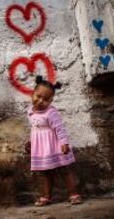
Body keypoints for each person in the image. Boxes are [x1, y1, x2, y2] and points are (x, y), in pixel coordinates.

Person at [27, 75, 82, 206]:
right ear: (32, 94)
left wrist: (64, 143)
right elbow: (35, 128)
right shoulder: (30, 112)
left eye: (46, 99)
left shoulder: (51, 113)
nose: (41, 101)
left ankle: (74, 194)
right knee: (46, 172)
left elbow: (60, 129)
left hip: (55, 145)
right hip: (42, 148)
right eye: (38, 96)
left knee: (64, 170)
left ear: (51, 100)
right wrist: (30, 142)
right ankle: (47, 196)